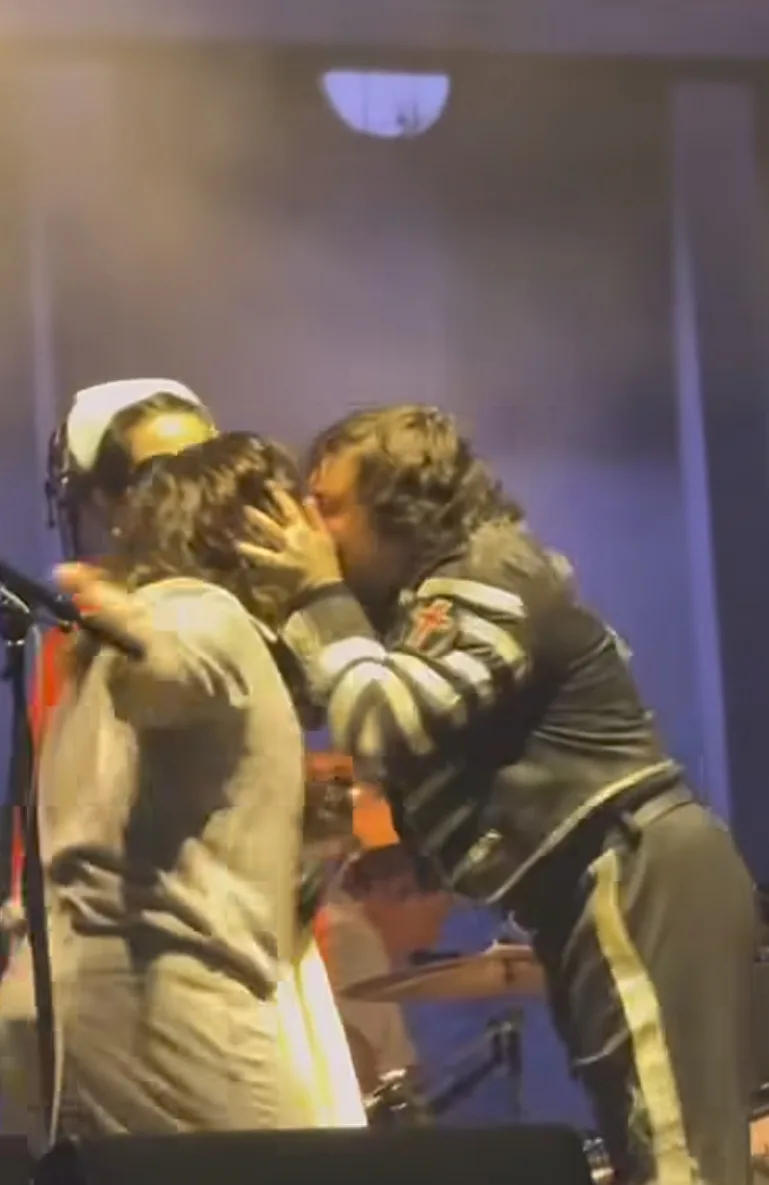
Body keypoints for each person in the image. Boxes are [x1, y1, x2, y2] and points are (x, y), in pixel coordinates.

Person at [239, 404, 758, 1185]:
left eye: (330, 506)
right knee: (650, 1151)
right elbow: (321, 692)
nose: (311, 529)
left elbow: (382, 716)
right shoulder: (428, 600)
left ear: (400, 508)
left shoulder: (490, 577)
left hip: (630, 866)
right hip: (604, 879)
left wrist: (316, 594)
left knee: (679, 1162)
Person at [0, 432, 365, 1139]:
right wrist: (138, 634)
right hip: (166, 1021)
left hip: (44, 1016)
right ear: (259, 527)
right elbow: (177, 660)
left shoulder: (88, 666)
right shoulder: (203, 611)